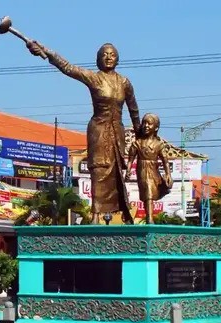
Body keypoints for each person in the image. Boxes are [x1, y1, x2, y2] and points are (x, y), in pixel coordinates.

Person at [26, 40, 140, 224]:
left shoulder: (124, 82)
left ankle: (124, 214)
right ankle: (95, 215)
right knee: (98, 170)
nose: (108, 57)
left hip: (117, 133)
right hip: (98, 130)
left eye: (112, 54)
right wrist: (46, 52)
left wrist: (140, 134)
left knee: (117, 172)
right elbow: (67, 67)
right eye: (104, 54)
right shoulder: (93, 78)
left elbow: (134, 109)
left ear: (117, 59)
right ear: (98, 60)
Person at [125, 113, 173, 224]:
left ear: (156, 127)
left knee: (151, 192)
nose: (146, 126)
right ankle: (149, 218)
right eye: (144, 123)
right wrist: (128, 170)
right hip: (142, 170)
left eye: (149, 123)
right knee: (148, 193)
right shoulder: (137, 143)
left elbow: (165, 161)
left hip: (154, 171)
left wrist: (168, 174)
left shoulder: (159, 145)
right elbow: (130, 159)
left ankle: (150, 218)